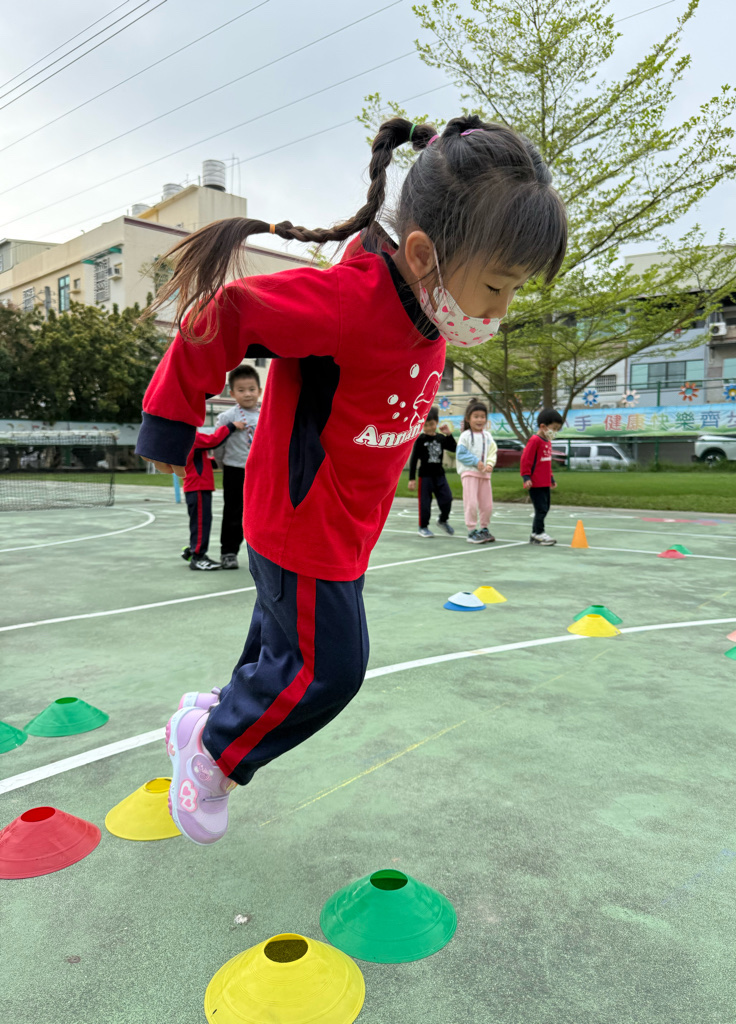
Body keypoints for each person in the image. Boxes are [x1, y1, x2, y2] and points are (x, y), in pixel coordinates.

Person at [136, 113, 567, 845]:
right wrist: (168, 422)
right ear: (423, 254)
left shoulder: (426, 307)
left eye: (515, 290)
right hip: (301, 524)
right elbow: (229, 312)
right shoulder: (352, 301)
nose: (501, 311)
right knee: (329, 669)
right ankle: (212, 752)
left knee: (282, 647)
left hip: (343, 529)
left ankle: (207, 716)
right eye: (497, 286)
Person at [213, 365, 262, 569]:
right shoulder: (227, 417)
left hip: (260, 472)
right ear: (232, 393)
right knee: (233, 511)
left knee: (262, 513)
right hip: (235, 469)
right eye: (241, 390)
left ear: (259, 390)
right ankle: (229, 552)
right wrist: (222, 464)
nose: (247, 394)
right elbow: (218, 443)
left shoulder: (266, 415)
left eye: (251, 389)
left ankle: (263, 554)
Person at [181, 419, 245, 570]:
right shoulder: (190, 437)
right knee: (201, 523)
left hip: (197, 486)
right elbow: (214, 440)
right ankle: (198, 557)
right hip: (197, 487)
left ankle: (192, 550)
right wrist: (231, 426)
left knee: (200, 522)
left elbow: (202, 460)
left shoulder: (185, 439)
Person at [407, 406, 457, 537]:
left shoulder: (441, 438)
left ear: (437, 422)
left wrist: (448, 434)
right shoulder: (420, 440)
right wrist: (411, 479)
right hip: (425, 477)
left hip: (439, 475)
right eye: (426, 425)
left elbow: (454, 448)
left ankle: (443, 520)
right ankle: (423, 527)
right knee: (425, 504)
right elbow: (414, 460)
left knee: (447, 499)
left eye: (432, 424)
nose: (429, 428)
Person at [456, 401, 498, 544]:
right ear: (468, 419)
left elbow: (492, 452)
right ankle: (471, 531)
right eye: (476, 416)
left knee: (487, 505)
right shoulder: (465, 436)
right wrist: (476, 462)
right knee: (471, 503)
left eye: (482, 416)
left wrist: (490, 464)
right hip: (469, 474)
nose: (480, 420)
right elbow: (461, 454)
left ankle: (484, 528)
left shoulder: (488, 436)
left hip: (484, 476)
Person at [520, 408, 564, 545]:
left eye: (557, 429)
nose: (555, 432)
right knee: (541, 509)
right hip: (535, 483)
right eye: (554, 428)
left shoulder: (548, 442)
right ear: (543, 426)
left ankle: (535, 534)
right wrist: (526, 477)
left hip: (545, 482)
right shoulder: (535, 440)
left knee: (545, 507)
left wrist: (551, 478)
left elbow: (546, 463)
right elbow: (526, 460)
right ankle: (539, 533)